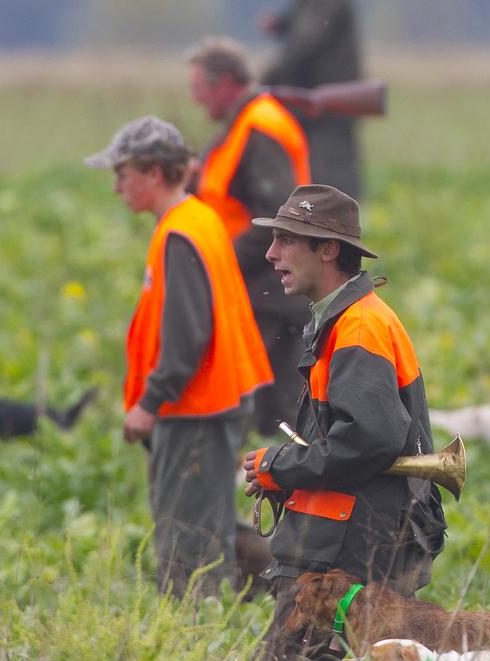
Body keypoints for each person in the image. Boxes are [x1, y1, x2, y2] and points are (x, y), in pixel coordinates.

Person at [238, 184, 446, 661]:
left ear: (328, 250)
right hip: (350, 538)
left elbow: (370, 439)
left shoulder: (359, 328)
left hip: (346, 550)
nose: (270, 254)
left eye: (287, 240)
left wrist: (280, 466)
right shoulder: (347, 318)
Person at [85, 116, 273, 599]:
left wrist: (151, 401)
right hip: (212, 403)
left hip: (195, 409)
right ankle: (287, 591)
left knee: (186, 538)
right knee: (208, 520)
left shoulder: (181, 234)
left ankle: (197, 627)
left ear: (153, 172)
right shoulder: (198, 219)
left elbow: (188, 334)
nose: (116, 187)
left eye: (122, 174)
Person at [187, 36, 313, 439]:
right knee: (267, 409)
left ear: (226, 82)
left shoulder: (260, 128)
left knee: (265, 410)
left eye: (201, 90)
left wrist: (221, 261)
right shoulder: (243, 125)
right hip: (257, 288)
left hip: (269, 293)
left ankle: (282, 491)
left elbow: (277, 215)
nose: (198, 100)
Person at [258, 0, 365, 199]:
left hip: (328, 100)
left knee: (330, 168)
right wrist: (281, 24)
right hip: (319, 98)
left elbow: (307, 40)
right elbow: (304, 23)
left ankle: (339, 216)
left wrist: (266, 80)